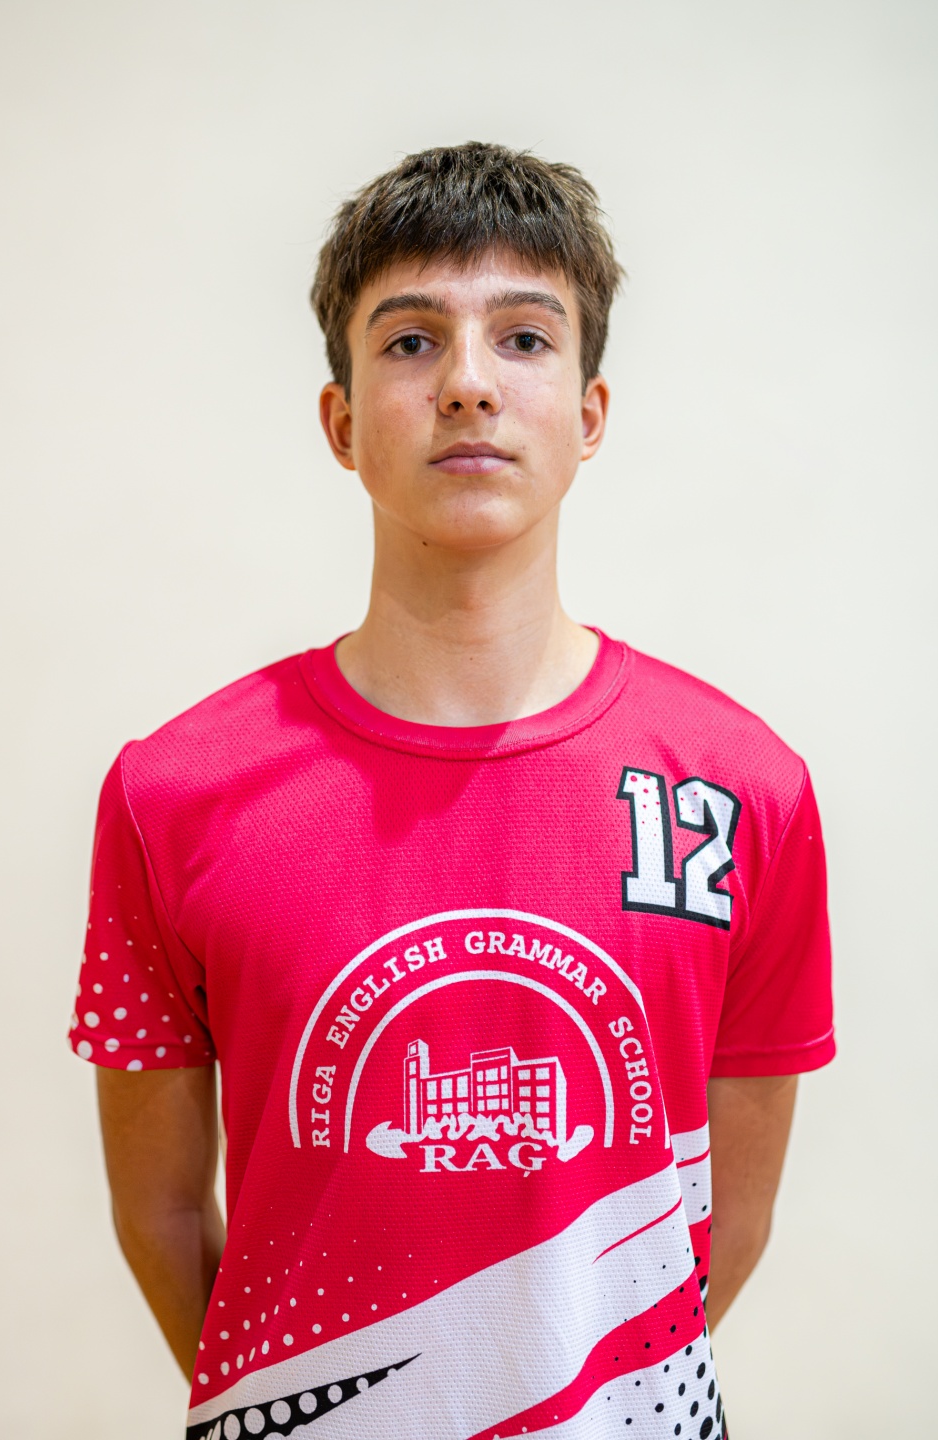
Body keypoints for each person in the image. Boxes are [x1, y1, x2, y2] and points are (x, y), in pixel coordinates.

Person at [69, 142, 834, 1440]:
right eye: (412, 341)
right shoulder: (171, 794)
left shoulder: (748, 791)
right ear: (341, 421)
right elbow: (162, 1213)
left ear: (589, 415)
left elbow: (727, 1225)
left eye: (525, 339)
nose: (470, 382)